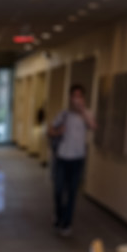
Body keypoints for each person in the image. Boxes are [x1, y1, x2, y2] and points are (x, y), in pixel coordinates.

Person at [46, 84, 93, 236]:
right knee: (59, 190)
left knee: (72, 192)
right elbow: (50, 130)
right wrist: (58, 131)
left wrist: (82, 110)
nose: (77, 99)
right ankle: (59, 215)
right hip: (61, 158)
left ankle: (66, 223)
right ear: (70, 98)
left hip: (78, 160)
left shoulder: (87, 114)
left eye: (80, 96)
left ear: (83, 98)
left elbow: (93, 125)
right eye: (75, 96)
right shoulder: (63, 114)